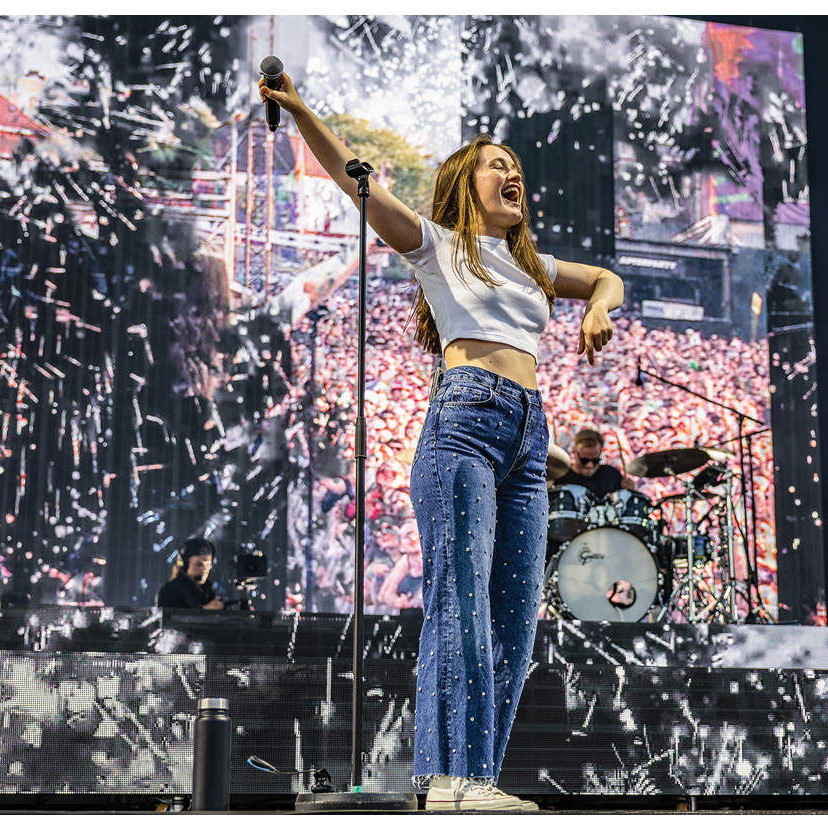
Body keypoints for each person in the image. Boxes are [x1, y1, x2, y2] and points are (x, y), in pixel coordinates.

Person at [261, 72, 623, 811]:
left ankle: (475, 780)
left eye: (515, 164)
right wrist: (300, 108)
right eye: (496, 162)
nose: (511, 170)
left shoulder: (534, 267)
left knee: (516, 618)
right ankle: (452, 779)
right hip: (466, 419)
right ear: (464, 182)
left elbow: (607, 278)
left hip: (529, 432)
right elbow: (346, 176)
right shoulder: (438, 244)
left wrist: (597, 313)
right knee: (461, 604)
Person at [551, 428, 627, 500]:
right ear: (575, 453)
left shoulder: (612, 475)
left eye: (595, 460)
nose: (589, 465)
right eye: (584, 460)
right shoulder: (560, 476)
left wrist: (628, 491)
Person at [156, 537, 225, 610]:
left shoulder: (210, 591)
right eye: (198, 564)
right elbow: (168, 618)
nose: (204, 569)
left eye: (208, 565)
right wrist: (204, 610)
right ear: (184, 564)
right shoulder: (169, 591)